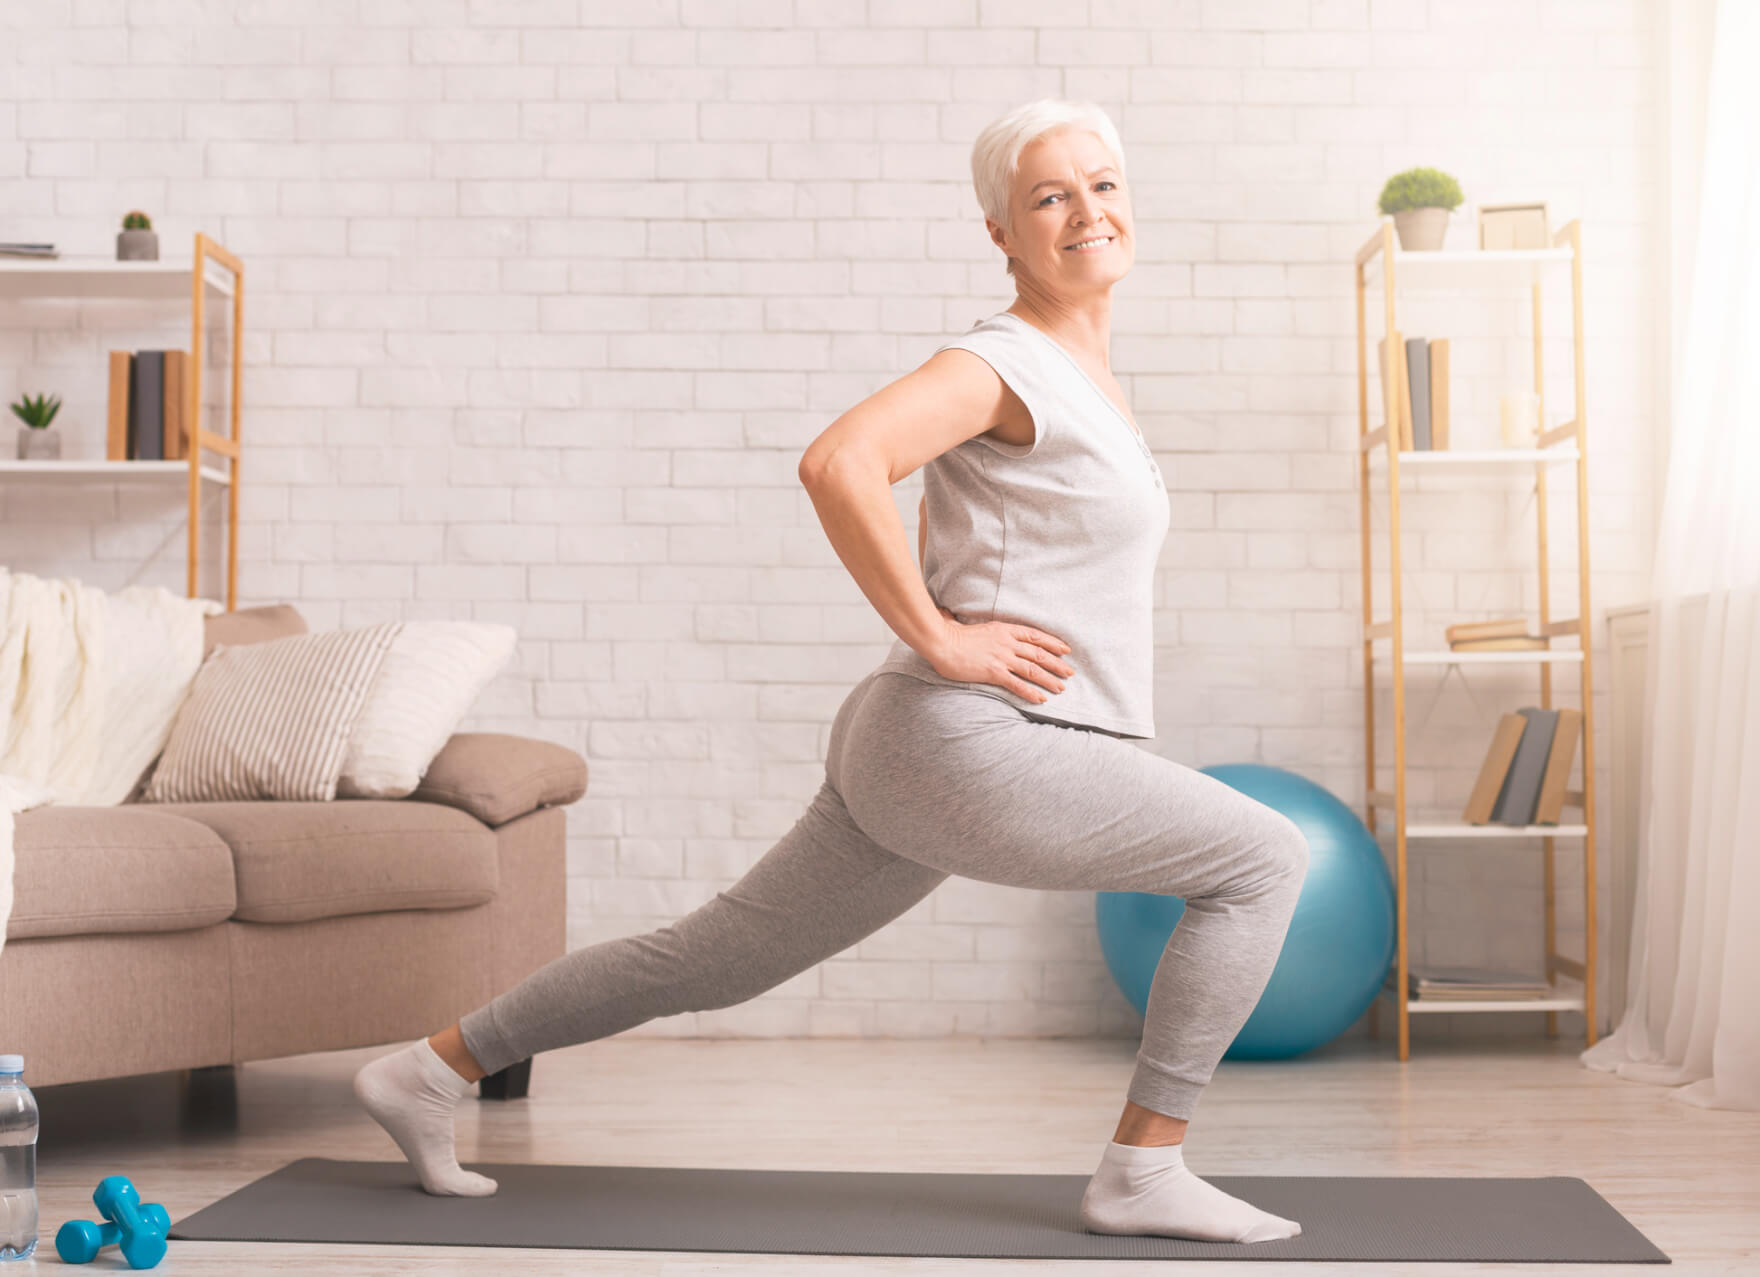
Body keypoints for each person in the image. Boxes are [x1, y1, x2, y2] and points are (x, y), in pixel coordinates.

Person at [353, 97, 1310, 1245]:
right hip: (968, 737)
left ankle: (429, 1067)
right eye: (1050, 195)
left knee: (714, 957)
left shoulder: (1083, 376)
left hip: (923, 741)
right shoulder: (1002, 361)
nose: (1087, 211)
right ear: (1003, 231)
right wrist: (946, 637)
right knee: (1263, 856)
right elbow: (840, 461)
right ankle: (1144, 1168)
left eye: (1103, 185)